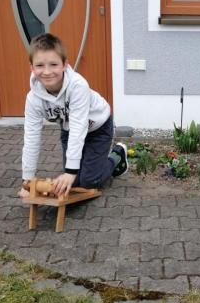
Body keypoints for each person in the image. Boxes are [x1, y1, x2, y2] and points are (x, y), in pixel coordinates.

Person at [17, 33, 127, 198]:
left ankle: (117, 156)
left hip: (98, 128)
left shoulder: (78, 86)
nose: (47, 72)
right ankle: (84, 168)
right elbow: (31, 138)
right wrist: (27, 182)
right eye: (40, 65)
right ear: (32, 68)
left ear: (64, 65)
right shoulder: (33, 99)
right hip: (69, 131)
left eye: (53, 64)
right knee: (73, 183)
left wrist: (70, 171)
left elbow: (78, 127)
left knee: (89, 181)